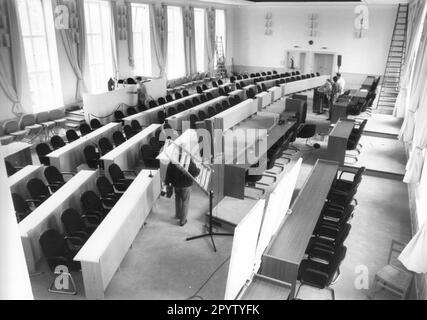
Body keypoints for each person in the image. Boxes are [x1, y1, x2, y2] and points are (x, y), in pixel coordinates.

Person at [164, 145, 200, 226]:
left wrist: (167, 183)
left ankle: (178, 215)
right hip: (186, 185)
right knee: (185, 202)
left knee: (178, 199)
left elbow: (168, 172)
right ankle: (182, 221)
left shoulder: (173, 159)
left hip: (176, 184)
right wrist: (199, 169)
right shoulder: (188, 160)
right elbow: (195, 173)